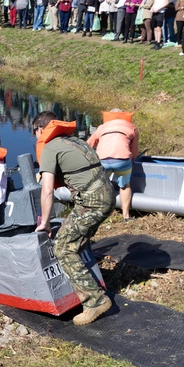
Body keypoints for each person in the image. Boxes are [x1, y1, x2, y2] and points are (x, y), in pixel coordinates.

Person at [33, 112, 113, 325]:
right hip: (105, 194)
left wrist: (45, 222)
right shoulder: (74, 140)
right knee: (76, 242)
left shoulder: (50, 147)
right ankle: (83, 287)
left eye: (35, 134)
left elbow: (47, 190)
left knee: (63, 247)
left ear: (41, 130)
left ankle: (95, 301)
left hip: (92, 202)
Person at [87, 110, 139, 221]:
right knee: (124, 186)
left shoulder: (101, 128)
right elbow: (134, 152)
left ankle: (99, 214)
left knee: (101, 186)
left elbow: (89, 145)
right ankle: (126, 216)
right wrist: (131, 159)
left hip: (102, 160)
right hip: (122, 160)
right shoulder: (132, 128)